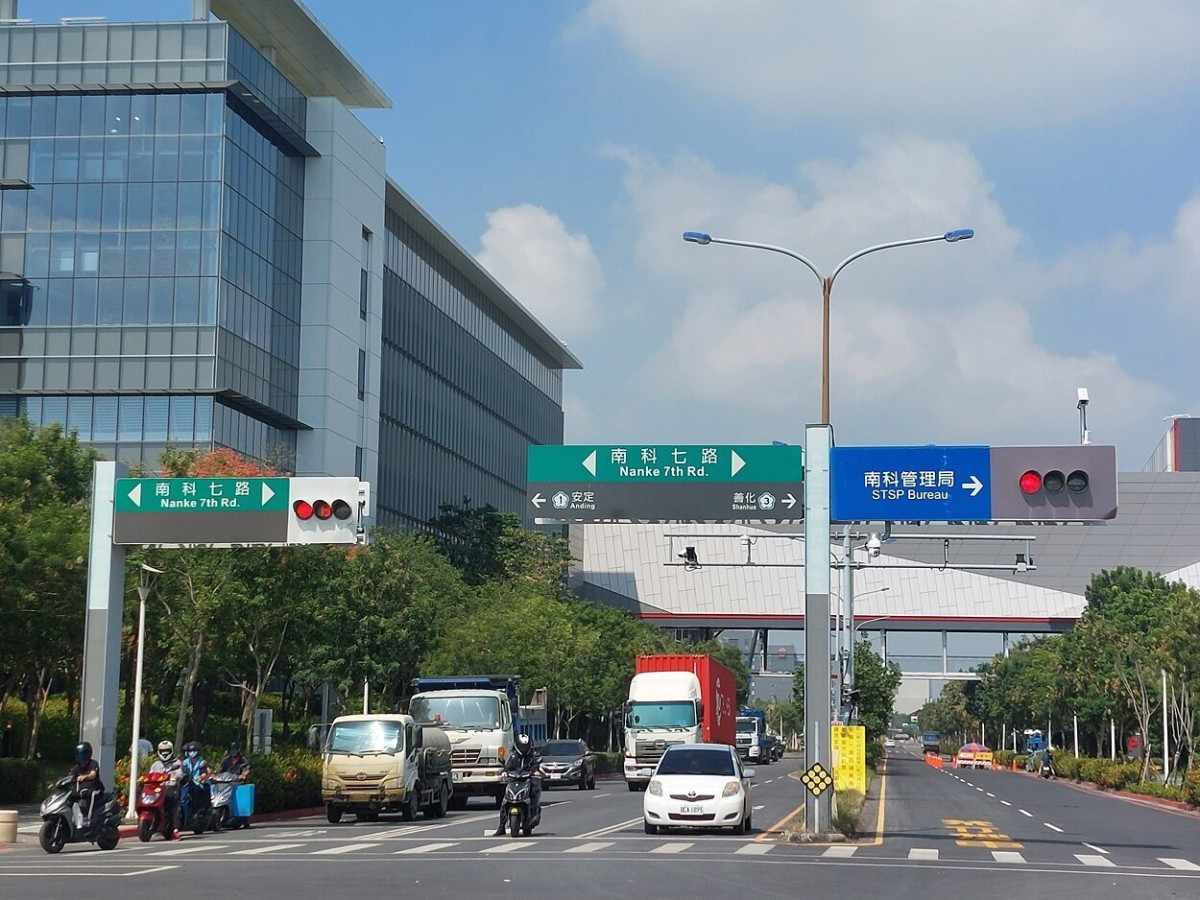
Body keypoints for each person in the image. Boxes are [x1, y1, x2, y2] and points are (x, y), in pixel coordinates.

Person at [492, 732, 542, 836]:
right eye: (522, 746)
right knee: (504, 801)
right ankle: (501, 826)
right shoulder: (513, 757)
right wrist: (504, 772)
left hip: (527, 780)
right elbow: (508, 767)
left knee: (534, 791)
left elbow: (536, 767)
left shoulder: (531, 758)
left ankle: (533, 813)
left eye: (525, 746)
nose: (524, 748)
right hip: (514, 781)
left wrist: (536, 772)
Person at [149, 740, 183, 835]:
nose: (164, 753)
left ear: (171, 751)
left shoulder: (176, 762)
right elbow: (151, 775)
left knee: (172, 804)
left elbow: (179, 774)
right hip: (157, 789)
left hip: (170, 788)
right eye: (162, 751)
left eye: (167, 750)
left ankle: (175, 828)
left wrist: (175, 777)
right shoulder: (156, 764)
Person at [67, 741, 104, 826]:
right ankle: (72, 817)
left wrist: (85, 777)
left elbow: (93, 774)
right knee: (70, 796)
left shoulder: (93, 763)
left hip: (95, 789)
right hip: (81, 791)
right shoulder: (77, 767)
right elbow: (70, 776)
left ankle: (88, 818)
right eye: (79, 753)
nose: (80, 756)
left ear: (88, 753)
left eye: (82, 753)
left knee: (91, 794)